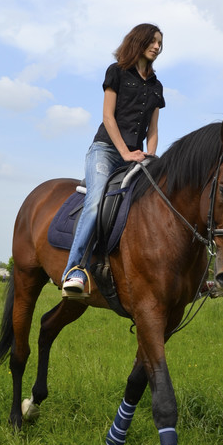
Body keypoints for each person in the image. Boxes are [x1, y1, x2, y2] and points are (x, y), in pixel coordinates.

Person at [61, 23, 165, 297]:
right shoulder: (116, 72)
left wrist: (151, 156)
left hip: (137, 157)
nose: (157, 47)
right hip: (106, 150)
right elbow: (108, 117)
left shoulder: (156, 86)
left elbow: (153, 129)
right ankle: (74, 270)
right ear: (139, 42)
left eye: (160, 44)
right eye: (153, 41)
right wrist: (125, 153)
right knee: (95, 204)